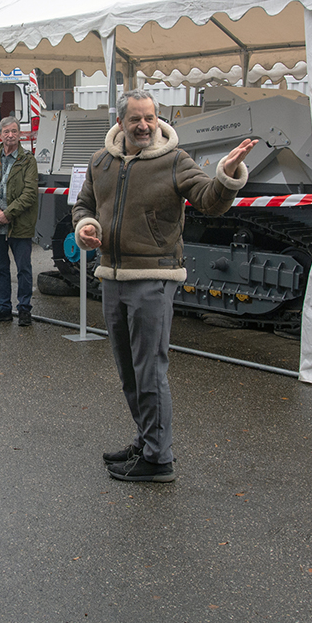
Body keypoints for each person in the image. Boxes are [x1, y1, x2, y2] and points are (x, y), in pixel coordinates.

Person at [73, 89, 256, 483]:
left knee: (150, 371)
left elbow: (209, 200)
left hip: (153, 280)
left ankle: (159, 458)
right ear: (120, 122)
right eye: (136, 118)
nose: (143, 125)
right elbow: (84, 205)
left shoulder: (175, 161)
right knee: (128, 371)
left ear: (158, 120)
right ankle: (147, 439)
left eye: (150, 118)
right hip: (112, 276)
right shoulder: (100, 161)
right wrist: (86, 226)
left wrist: (227, 174)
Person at [0, 115, 39, 327]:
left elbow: (30, 193)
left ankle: (24, 310)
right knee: (0, 268)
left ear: (19, 134)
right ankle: (3, 308)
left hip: (19, 224)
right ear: (0, 134)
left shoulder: (28, 160)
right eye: (6, 132)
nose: (10, 135)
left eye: (14, 131)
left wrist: (8, 214)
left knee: (24, 269)